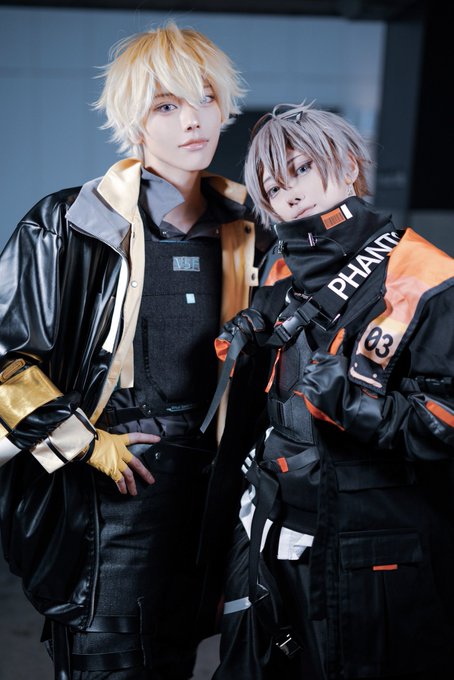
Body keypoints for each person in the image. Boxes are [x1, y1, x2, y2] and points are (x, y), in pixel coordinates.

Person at [0, 22, 277, 679]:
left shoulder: (253, 232)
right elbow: (8, 364)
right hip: (111, 500)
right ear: (134, 121)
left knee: (179, 659)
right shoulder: (70, 225)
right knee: (108, 660)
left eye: (206, 99)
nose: (194, 120)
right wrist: (84, 444)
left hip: (212, 503)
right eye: (167, 105)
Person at [211, 102, 454, 679]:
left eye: (302, 169)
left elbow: (444, 423)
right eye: (274, 187)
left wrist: (353, 404)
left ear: (347, 165)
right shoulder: (278, 269)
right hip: (271, 535)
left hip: (373, 555)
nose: (290, 194)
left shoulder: (428, 276)